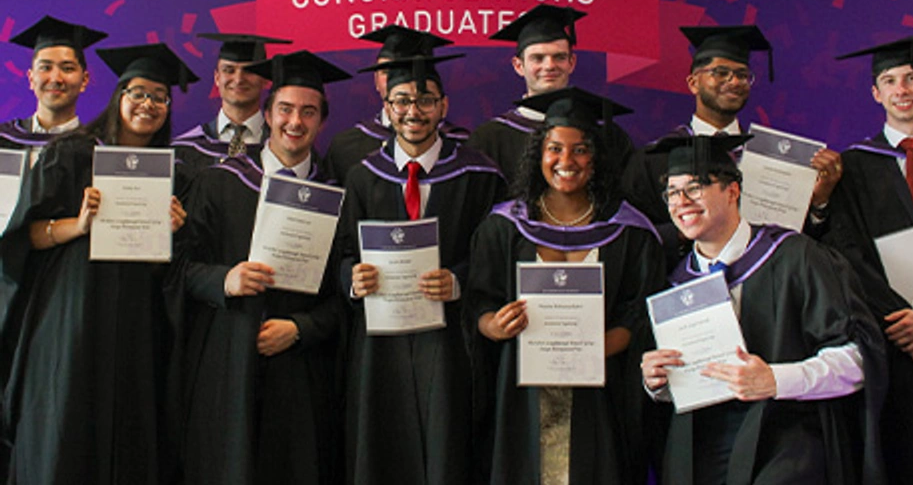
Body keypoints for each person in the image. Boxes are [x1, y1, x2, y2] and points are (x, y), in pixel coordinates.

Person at [0, 42, 198, 485]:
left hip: (134, 324)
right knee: (67, 424)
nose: (148, 105)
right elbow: (23, 237)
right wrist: (79, 223)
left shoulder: (175, 175)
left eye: (159, 97)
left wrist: (169, 235)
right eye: (138, 93)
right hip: (71, 316)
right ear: (119, 96)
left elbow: (166, 273)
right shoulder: (70, 153)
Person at [640, 135, 886, 485]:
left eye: (694, 188)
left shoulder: (797, 257)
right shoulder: (678, 285)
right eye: (672, 193)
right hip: (699, 450)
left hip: (786, 441)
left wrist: (775, 379)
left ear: (732, 190)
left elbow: (859, 359)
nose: (682, 202)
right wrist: (659, 383)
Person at [464, 87, 666, 485]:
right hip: (521, 394)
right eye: (555, 148)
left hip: (599, 396)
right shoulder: (505, 226)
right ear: (539, 153)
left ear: (598, 157)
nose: (566, 161)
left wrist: (598, 348)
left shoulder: (629, 232)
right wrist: (493, 325)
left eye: (581, 150)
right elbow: (478, 301)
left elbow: (639, 311)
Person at [172, 50, 350, 485]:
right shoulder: (221, 179)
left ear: (322, 122)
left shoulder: (336, 194)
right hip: (227, 356)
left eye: (309, 112)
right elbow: (178, 269)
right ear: (267, 114)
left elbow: (342, 296)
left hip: (299, 369)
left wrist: (303, 328)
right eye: (285, 109)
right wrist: (224, 280)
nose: (295, 122)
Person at [339, 52, 505, 485]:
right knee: (382, 444)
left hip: (449, 340)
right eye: (402, 101)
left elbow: (497, 257)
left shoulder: (479, 174)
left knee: (446, 446)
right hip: (381, 341)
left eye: (426, 100)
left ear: (443, 107)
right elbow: (339, 256)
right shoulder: (362, 176)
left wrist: (458, 280)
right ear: (387, 107)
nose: (414, 112)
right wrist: (352, 280)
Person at [823, 31, 913, 484]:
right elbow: (845, 252)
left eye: (912, 78)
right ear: (875, 93)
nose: (902, 89)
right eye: (890, 80)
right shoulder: (853, 166)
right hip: (889, 346)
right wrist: (902, 321)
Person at [622, 26, 843, 265]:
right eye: (720, 72)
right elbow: (633, 238)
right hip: (691, 286)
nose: (734, 81)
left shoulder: (772, 156)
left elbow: (801, 236)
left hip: (771, 284)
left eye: (742, 75)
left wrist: (819, 203)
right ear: (693, 83)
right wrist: (687, 228)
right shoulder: (653, 158)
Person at [467, 3, 634, 186]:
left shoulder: (606, 133)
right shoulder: (489, 140)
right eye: (537, 58)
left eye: (559, 57)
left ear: (572, 62)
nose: (549, 66)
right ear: (518, 66)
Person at [323, 25, 470, 186]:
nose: (395, 81)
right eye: (386, 71)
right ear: (376, 80)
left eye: (406, 70)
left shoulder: (460, 146)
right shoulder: (345, 146)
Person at [171, 32, 291, 186]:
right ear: (217, 78)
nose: (239, 79)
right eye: (229, 70)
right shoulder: (186, 149)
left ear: (265, 80)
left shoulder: (284, 146)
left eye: (249, 71)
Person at [0, 15, 107, 163]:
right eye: (45, 67)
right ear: (31, 79)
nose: (56, 78)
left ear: (84, 80)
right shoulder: (4, 140)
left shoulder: (96, 152)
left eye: (67, 68)